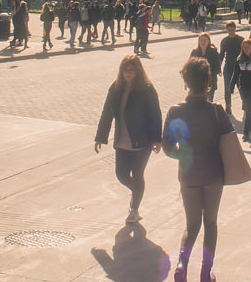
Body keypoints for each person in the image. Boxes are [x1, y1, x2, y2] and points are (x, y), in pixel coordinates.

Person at [163, 58, 234, 282]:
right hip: (213, 174)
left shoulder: (175, 111)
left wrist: (183, 155)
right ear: (208, 83)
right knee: (210, 223)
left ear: (186, 83)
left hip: (188, 174)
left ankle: (182, 265)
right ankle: (205, 271)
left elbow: (166, 147)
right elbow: (230, 141)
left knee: (191, 225)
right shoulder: (216, 111)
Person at [95, 55, 164, 224]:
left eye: (131, 70)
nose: (128, 73)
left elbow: (156, 115)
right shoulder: (116, 88)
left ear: (138, 71)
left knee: (137, 174)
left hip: (142, 141)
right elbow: (107, 112)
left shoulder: (147, 89)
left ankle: (134, 209)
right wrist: (100, 136)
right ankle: (138, 192)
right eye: (125, 70)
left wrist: (157, 139)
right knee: (121, 174)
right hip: (122, 141)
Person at [219, 22, 244, 112]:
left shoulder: (241, 40)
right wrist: (219, 67)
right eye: (229, 30)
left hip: (239, 67)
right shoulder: (225, 41)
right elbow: (221, 55)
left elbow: (246, 53)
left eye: (232, 30)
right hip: (228, 67)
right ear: (226, 30)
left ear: (235, 29)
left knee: (241, 86)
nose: (231, 32)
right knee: (227, 87)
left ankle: (244, 102)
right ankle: (228, 105)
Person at [190, 33, 223, 101]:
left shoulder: (213, 52)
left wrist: (209, 75)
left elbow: (217, 67)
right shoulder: (194, 52)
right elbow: (189, 66)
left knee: (208, 101)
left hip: (210, 82)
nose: (203, 42)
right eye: (201, 40)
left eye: (205, 40)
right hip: (197, 82)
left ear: (209, 41)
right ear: (198, 42)